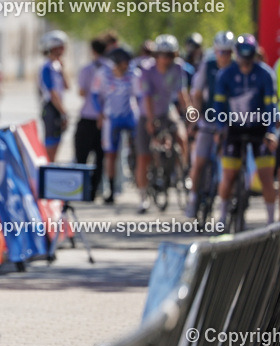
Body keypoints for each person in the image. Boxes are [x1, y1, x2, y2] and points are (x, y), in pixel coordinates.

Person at [213, 34, 277, 224]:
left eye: (249, 56)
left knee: (266, 176)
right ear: (236, 54)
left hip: (260, 128)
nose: (245, 61)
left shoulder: (265, 74)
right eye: (242, 56)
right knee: (229, 174)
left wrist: (272, 130)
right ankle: (222, 217)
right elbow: (219, 106)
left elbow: (270, 105)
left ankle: (271, 223)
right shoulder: (225, 74)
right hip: (234, 128)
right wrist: (220, 128)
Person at [135, 35, 192, 214]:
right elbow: (147, 97)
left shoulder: (178, 68)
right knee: (144, 156)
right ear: (156, 55)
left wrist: (191, 113)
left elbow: (182, 93)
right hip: (147, 113)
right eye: (162, 55)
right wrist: (151, 121)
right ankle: (143, 197)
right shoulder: (147, 70)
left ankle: (183, 172)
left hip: (167, 110)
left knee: (181, 136)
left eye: (170, 55)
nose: (166, 59)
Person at [185, 31, 233, 218]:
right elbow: (197, 94)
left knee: (228, 164)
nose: (224, 56)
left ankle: (226, 205)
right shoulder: (208, 65)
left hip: (229, 121)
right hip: (208, 118)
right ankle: (194, 197)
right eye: (221, 52)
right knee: (200, 161)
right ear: (215, 50)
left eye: (228, 52)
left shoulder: (237, 68)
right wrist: (195, 119)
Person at [94, 47, 139, 204]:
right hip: (111, 118)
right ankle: (111, 191)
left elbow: (139, 96)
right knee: (110, 155)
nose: (126, 66)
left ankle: (139, 180)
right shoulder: (103, 74)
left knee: (139, 149)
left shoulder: (133, 75)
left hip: (129, 116)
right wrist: (100, 113)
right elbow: (95, 94)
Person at [75, 38, 108, 196]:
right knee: (100, 158)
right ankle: (94, 191)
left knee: (82, 156)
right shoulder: (110, 69)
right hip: (106, 119)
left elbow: (81, 92)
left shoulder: (87, 69)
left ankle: (80, 190)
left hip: (88, 116)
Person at [39, 30, 68, 160]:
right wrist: (63, 112)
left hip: (57, 107)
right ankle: (47, 170)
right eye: (61, 47)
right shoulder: (47, 67)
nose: (63, 50)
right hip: (51, 108)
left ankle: (52, 166)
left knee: (58, 141)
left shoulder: (57, 66)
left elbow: (67, 86)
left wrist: (63, 70)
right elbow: (52, 93)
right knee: (50, 144)